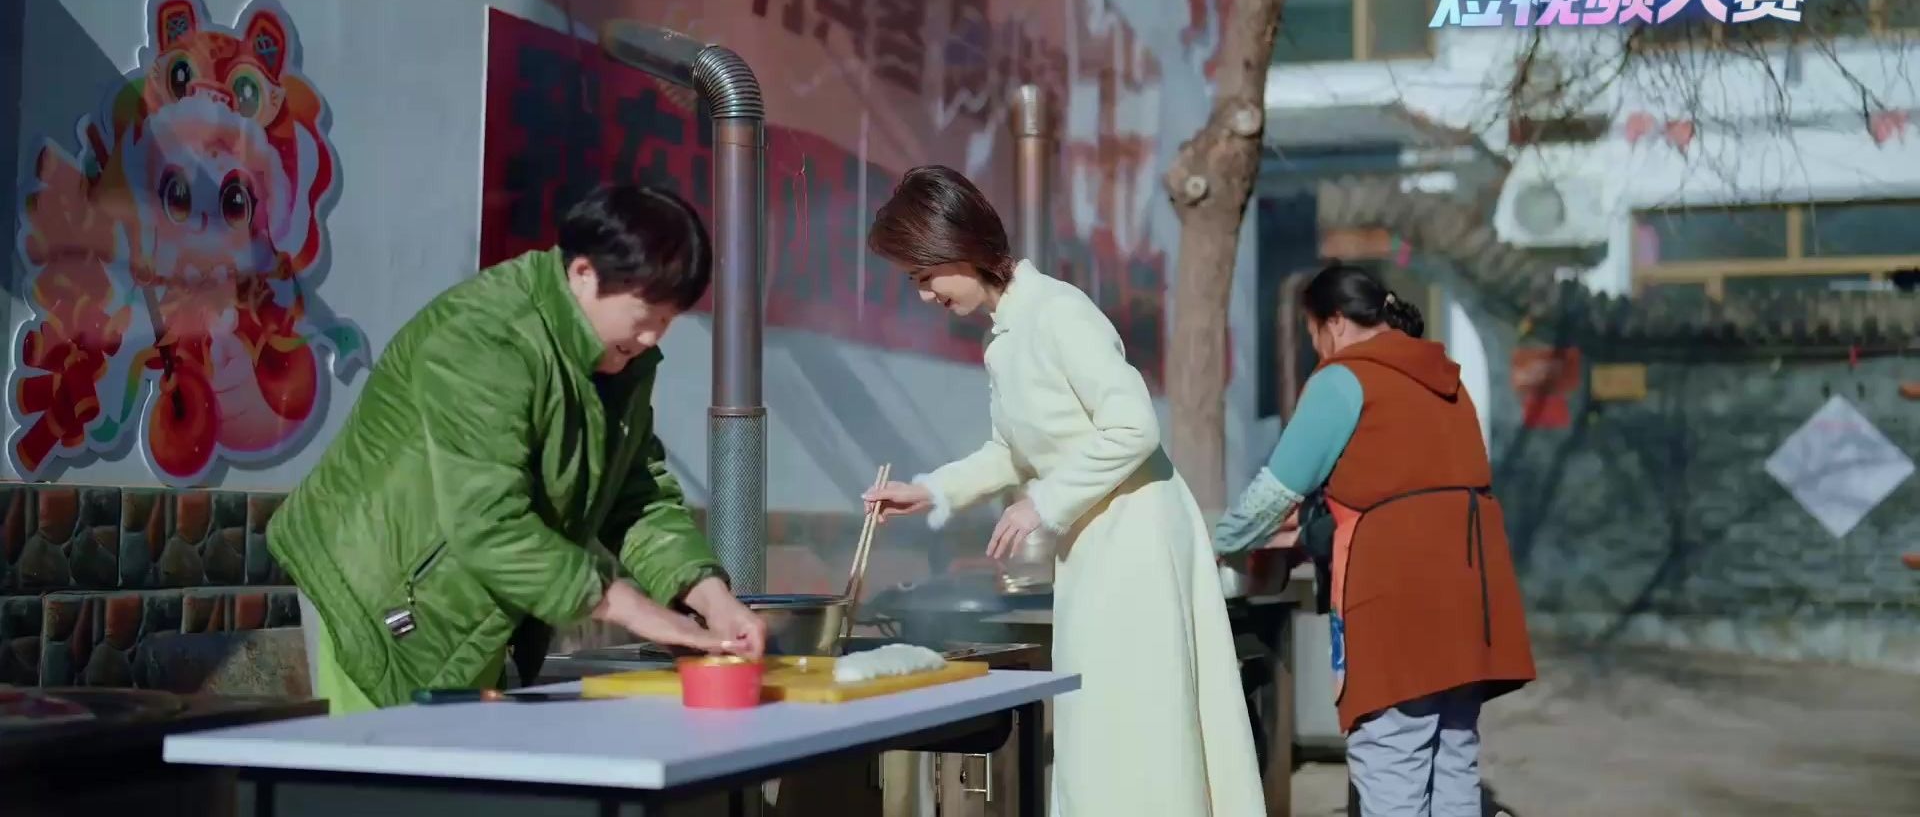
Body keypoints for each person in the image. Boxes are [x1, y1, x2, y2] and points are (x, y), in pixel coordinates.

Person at [268, 183, 767, 713]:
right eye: (646, 314)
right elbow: (488, 523)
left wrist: (709, 595)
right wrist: (629, 606)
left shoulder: (621, 360)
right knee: (385, 762)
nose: (652, 338)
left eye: (667, 321)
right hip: (375, 595)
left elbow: (636, 495)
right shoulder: (486, 337)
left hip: (472, 606)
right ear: (583, 273)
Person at [861, 165, 1263, 817]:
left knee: (1136, 723)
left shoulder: (1058, 312)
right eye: (915, 281)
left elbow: (1133, 427)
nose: (926, 295)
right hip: (1096, 541)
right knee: (1101, 724)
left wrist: (1044, 502)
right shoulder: (1007, 336)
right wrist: (930, 491)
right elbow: (1009, 452)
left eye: (925, 275)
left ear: (957, 247)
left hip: (1136, 538)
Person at [1214, 263, 1534, 816]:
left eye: (1314, 335)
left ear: (1335, 322)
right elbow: (1414, 488)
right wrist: (1314, 529)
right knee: (1453, 767)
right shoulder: (1444, 379)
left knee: (1391, 766)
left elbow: (1274, 493)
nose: (1317, 351)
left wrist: (1216, 543)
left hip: (1396, 604)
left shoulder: (1344, 379)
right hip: (1471, 603)